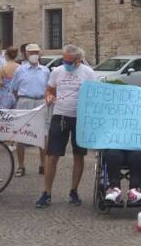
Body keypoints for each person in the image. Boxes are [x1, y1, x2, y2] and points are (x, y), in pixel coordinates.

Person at [36, 44, 95, 208]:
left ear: (78, 60)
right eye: (64, 60)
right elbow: (49, 90)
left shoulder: (88, 73)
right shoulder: (57, 71)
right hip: (59, 116)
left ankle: (74, 191)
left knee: (79, 155)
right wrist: (48, 97)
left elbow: (94, 95)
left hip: (79, 118)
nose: (66, 63)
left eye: (69, 61)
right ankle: (46, 193)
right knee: (52, 155)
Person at [11, 43, 50, 177]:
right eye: (31, 52)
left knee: (43, 135)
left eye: (36, 52)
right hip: (24, 101)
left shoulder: (45, 70)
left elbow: (48, 88)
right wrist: (23, 99)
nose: (34, 55)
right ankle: (21, 166)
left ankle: (43, 165)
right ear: (26, 54)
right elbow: (14, 88)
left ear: (40, 54)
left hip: (40, 102)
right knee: (20, 134)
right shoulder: (20, 70)